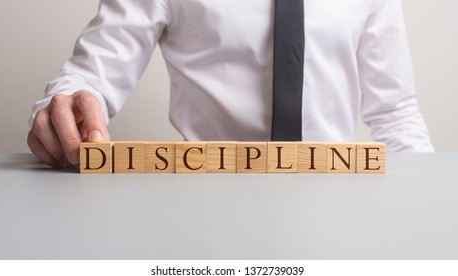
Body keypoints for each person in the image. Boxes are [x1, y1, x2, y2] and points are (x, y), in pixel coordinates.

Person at [28, 0, 434, 169]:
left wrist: (426, 216)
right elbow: (89, 77)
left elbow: (395, 112)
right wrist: (62, 107)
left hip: (338, 201)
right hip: (205, 204)